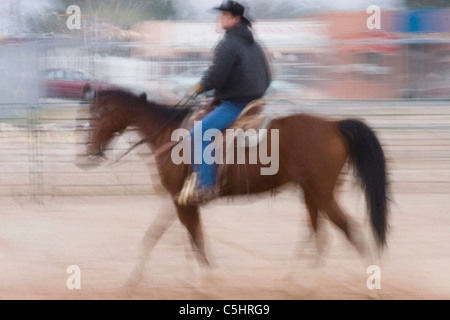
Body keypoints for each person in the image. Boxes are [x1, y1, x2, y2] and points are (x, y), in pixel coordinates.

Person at [185, 0, 271, 204]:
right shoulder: (254, 44)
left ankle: (206, 185)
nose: (220, 18)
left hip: (236, 104)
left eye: (225, 15)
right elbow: (267, 77)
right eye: (221, 15)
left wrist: (201, 86)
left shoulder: (228, 43)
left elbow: (217, 76)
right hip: (255, 101)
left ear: (236, 19)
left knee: (197, 135)